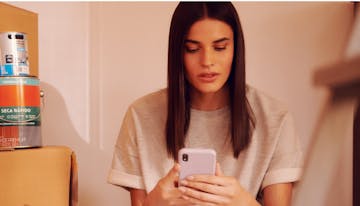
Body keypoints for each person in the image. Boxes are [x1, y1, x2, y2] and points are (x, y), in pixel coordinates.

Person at [108, 2, 302, 206]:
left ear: (236, 48)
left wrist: (244, 203)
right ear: (178, 53)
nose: (207, 60)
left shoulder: (275, 118)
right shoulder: (140, 116)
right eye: (192, 49)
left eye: (220, 47)